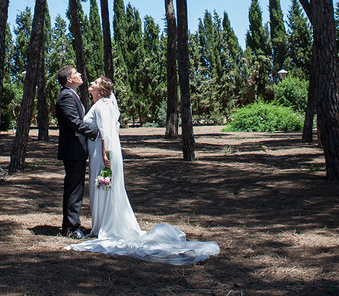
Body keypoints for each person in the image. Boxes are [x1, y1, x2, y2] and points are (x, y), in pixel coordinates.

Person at [69, 76, 220, 265]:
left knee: (102, 188)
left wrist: (105, 156)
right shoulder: (103, 105)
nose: (91, 83)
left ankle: (104, 226)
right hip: (99, 154)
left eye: (95, 82)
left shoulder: (101, 106)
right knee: (103, 188)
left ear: (100, 90)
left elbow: (106, 133)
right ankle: (101, 225)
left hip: (102, 156)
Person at [55, 64, 99, 239]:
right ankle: (71, 227)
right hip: (72, 149)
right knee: (74, 188)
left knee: (77, 188)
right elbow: (75, 122)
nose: (80, 74)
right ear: (69, 79)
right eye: (76, 73)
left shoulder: (72, 95)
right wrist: (96, 132)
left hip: (77, 149)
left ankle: (73, 224)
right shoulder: (66, 96)